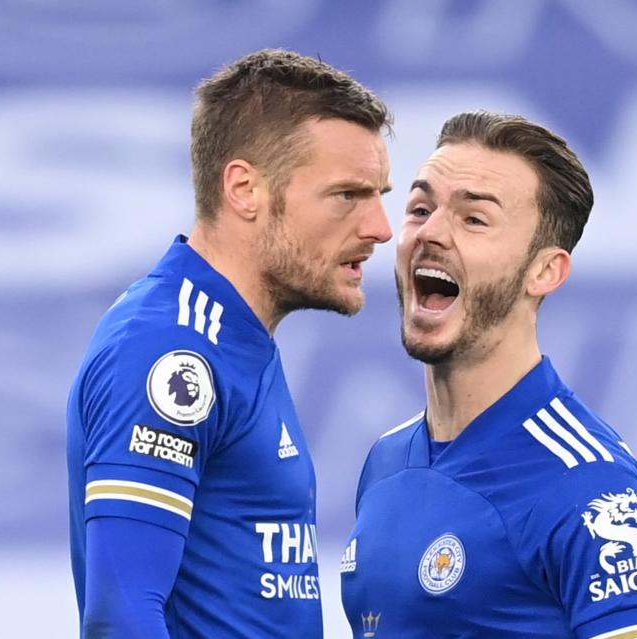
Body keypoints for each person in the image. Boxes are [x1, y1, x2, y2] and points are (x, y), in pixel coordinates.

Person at [66, 49, 393, 638]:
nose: (380, 228)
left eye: (379, 195)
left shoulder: (234, 336)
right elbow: (120, 614)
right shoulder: (171, 350)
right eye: (348, 195)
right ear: (245, 189)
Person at [340, 112, 637, 639]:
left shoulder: (590, 484)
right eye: (420, 209)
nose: (430, 233)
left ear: (545, 271)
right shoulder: (386, 460)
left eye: (474, 219)